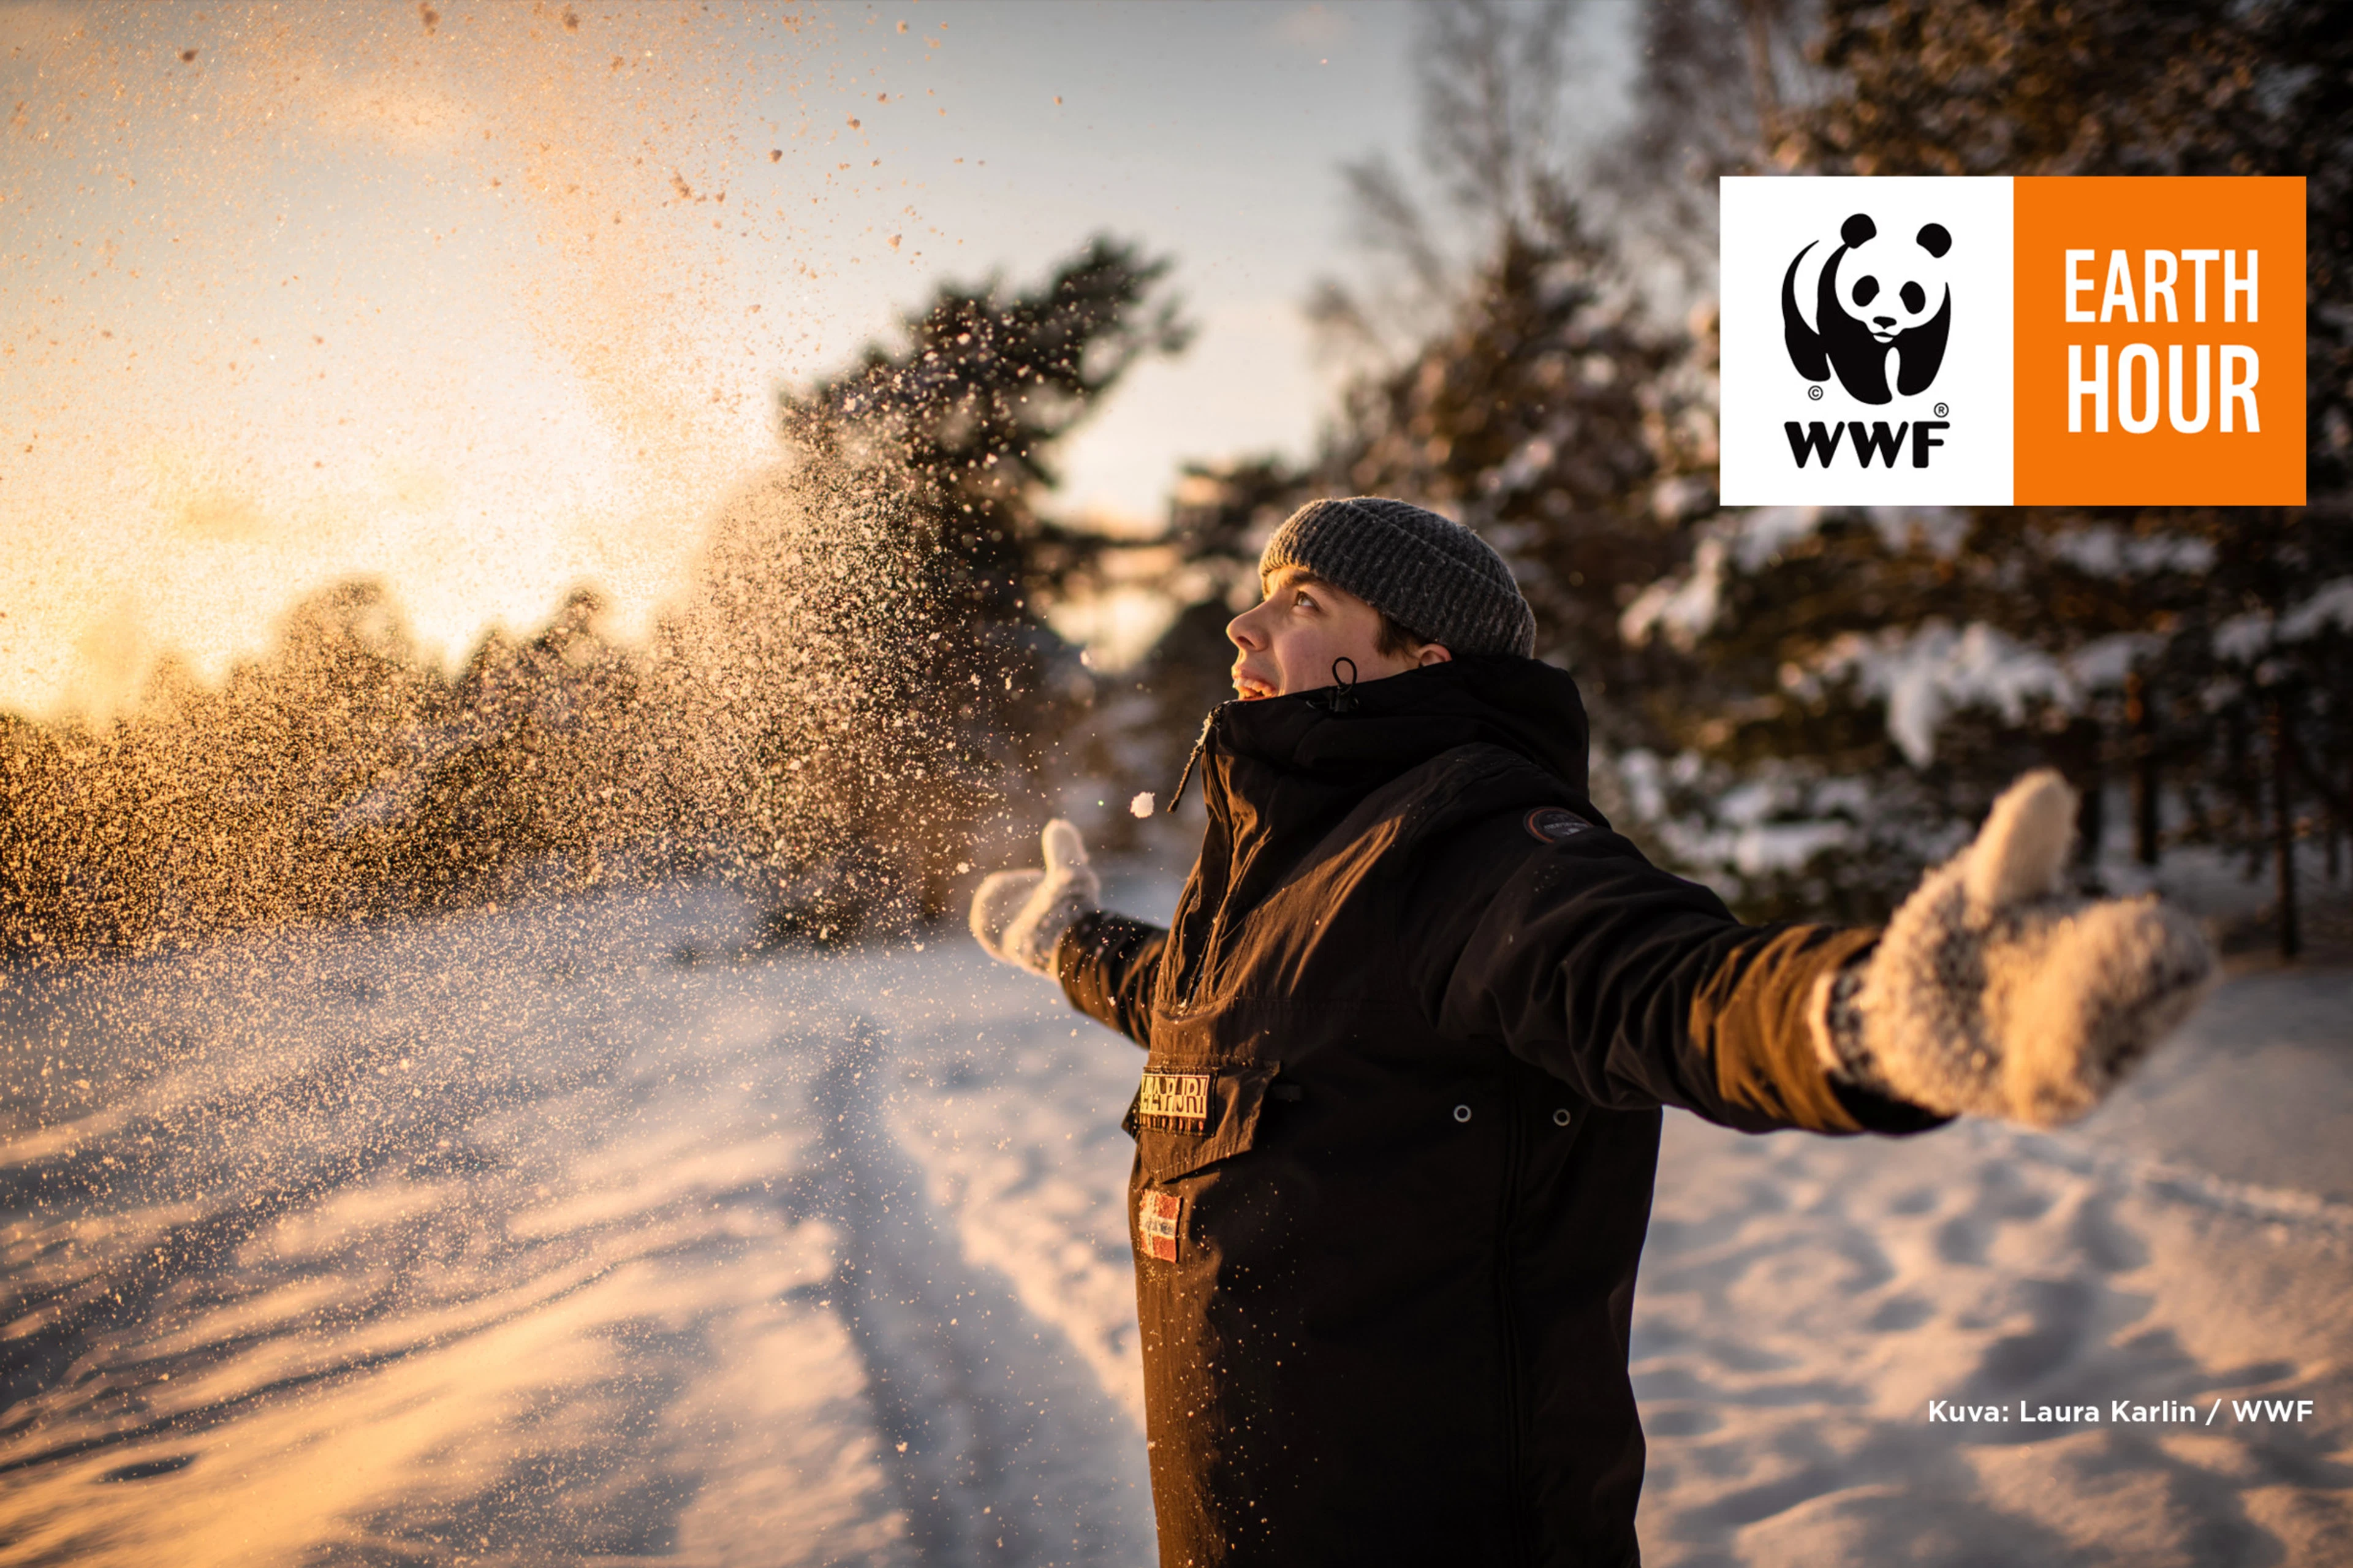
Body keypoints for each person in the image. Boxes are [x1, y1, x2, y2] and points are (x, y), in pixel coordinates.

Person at [968, 496, 2213, 1567]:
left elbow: (1669, 982)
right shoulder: (1270, 874)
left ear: (1418, 654)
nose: (1245, 627)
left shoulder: (1474, 849)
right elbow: (1196, 1001)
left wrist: (1869, 1012)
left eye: (1302, 600)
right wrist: (1070, 938)